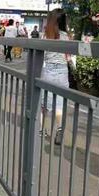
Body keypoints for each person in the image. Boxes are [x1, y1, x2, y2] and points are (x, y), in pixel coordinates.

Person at [42, 9, 70, 145]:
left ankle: (42, 129)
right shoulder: (66, 36)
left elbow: (41, 54)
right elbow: (68, 56)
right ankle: (59, 128)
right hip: (62, 71)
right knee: (59, 104)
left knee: (44, 103)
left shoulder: (46, 35)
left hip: (48, 70)